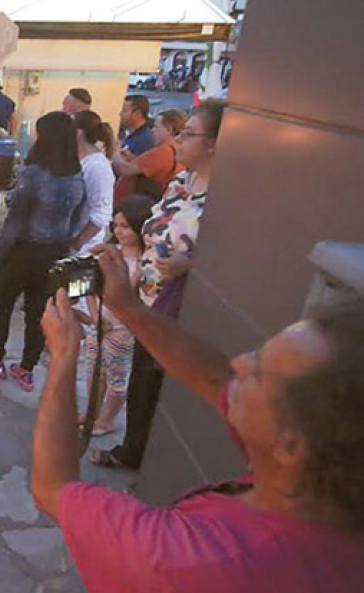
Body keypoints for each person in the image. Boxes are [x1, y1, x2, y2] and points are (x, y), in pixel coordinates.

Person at [34, 261, 364, 591]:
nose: (237, 363)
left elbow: (52, 487)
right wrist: (129, 307)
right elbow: (215, 379)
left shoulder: (192, 561)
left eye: (258, 371)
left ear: (291, 447)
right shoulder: (335, 488)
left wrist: (64, 356)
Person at [92, 100, 226, 470]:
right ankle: (133, 448)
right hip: (145, 298)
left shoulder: (225, 198)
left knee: (152, 388)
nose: (178, 139)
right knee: (139, 385)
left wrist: (191, 265)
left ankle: (141, 458)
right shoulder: (183, 179)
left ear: (214, 143)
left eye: (189, 133)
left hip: (177, 310)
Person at [0, 112, 86, 392]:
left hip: (24, 250)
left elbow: (15, 219)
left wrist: (1, 250)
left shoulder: (34, 174)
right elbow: (79, 216)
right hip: (55, 251)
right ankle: (27, 368)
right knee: (37, 311)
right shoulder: (76, 176)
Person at [74, 195, 153, 436]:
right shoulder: (107, 253)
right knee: (92, 369)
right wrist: (95, 314)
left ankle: (107, 419)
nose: (119, 231)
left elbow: (125, 295)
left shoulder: (144, 263)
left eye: (126, 226)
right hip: (99, 321)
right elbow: (89, 286)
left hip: (123, 328)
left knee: (116, 374)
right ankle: (92, 412)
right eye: (116, 225)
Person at [113, 108, 186, 203]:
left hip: (130, 206)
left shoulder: (163, 152)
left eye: (155, 126)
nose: (152, 131)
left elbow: (125, 170)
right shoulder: (176, 151)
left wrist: (115, 153)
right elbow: (149, 167)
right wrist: (131, 157)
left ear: (169, 129)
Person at [71, 110, 117, 254]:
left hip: (84, 246)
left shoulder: (97, 166)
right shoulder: (77, 159)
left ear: (79, 133)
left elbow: (101, 214)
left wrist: (77, 243)